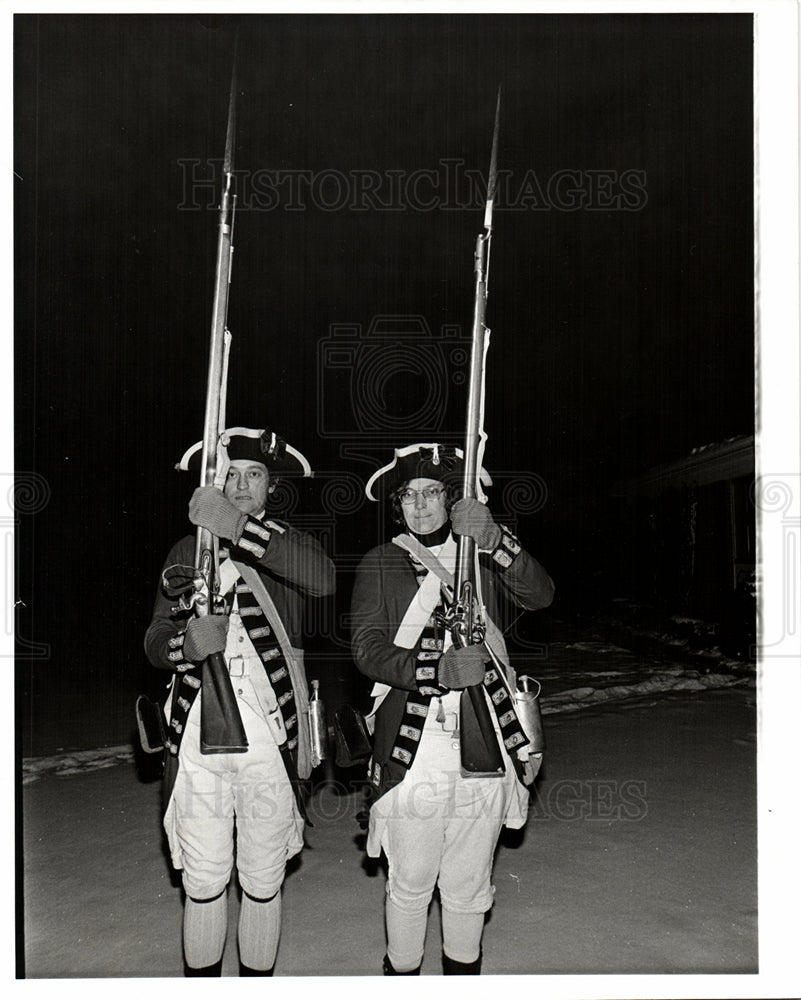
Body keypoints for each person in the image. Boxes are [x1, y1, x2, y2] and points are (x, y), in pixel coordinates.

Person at [351, 443, 554, 976]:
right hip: (413, 744)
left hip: (488, 735)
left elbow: (541, 595)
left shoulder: (480, 554)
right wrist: (431, 670)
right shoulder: (381, 561)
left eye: (432, 493)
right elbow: (367, 650)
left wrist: (494, 540)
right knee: (412, 879)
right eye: (409, 495)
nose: (419, 506)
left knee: (468, 883)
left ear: (452, 498)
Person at [144, 427, 335, 977]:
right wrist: (183, 646)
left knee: (262, 876)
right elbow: (155, 638)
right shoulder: (184, 550)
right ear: (212, 481)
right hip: (197, 738)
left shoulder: (285, 543)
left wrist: (237, 529)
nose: (242, 483)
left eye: (254, 475)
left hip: (271, 740)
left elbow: (321, 580)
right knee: (203, 881)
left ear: (270, 486)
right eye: (230, 474)